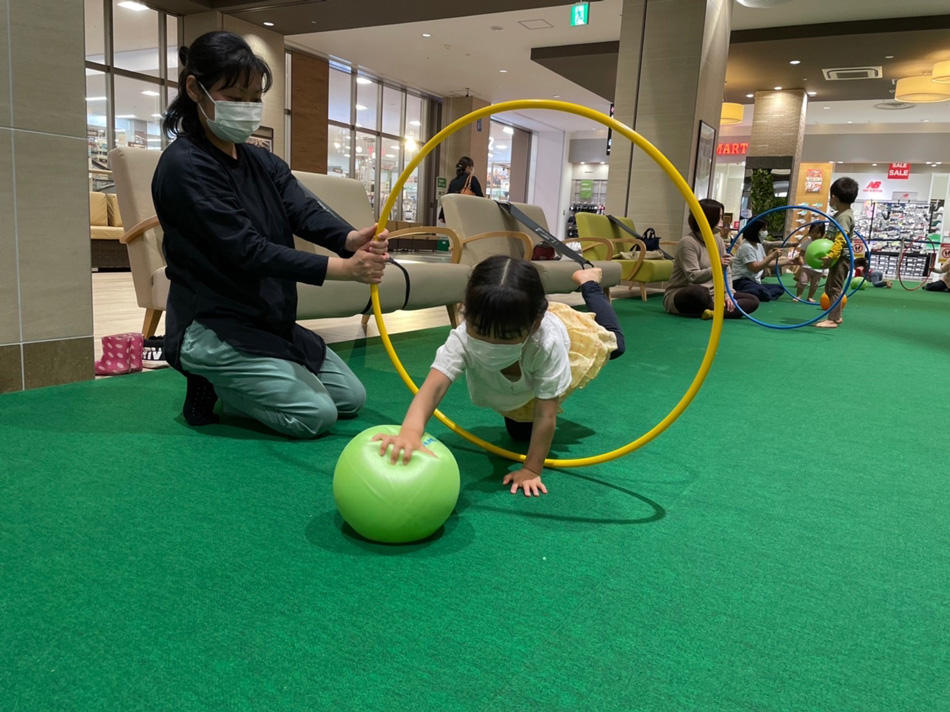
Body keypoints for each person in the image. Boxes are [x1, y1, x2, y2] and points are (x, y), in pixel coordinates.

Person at [152, 31, 390, 438]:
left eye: (254, 99)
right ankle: (211, 380)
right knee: (316, 416)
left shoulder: (262, 161)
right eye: (234, 97)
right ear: (195, 89)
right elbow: (248, 250)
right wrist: (343, 268)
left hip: (267, 321)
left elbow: (302, 210)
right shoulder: (184, 166)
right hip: (210, 324)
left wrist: (351, 239)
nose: (247, 109)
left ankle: (259, 374)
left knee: (350, 399)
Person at [372, 256, 625, 497]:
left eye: (504, 338)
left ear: (535, 325)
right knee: (519, 433)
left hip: (563, 342)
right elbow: (433, 387)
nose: (489, 344)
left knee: (613, 344)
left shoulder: (546, 343)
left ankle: (589, 283)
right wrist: (410, 431)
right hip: (521, 365)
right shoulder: (462, 338)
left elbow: (546, 413)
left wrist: (532, 469)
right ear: (465, 312)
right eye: (480, 330)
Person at [663, 198, 760, 319]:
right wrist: (716, 266)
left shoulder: (717, 240)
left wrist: (728, 294)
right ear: (708, 218)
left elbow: (727, 271)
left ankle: (711, 311)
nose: (722, 222)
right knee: (699, 292)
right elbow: (693, 277)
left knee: (753, 300)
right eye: (719, 217)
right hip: (684, 293)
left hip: (714, 294)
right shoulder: (688, 242)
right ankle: (718, 310)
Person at [816, 177, 859, 328]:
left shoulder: (844, 216)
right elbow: (832, 236)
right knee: (830, 287)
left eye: (830, 197)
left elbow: (841, 238)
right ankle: (835, 316)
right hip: (838, 257)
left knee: (835, 288)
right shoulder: (840, 215)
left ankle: (833, 319)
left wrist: (832, 255)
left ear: (834, 197)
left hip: (841, 258)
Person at [731, 219, 787, 301]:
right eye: (763, 229)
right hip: (740, 281)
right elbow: (754, 268)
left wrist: (790, 261)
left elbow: (766, 263)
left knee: (780, 288)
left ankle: (755, 293)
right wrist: (771, 256)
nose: (766, 232)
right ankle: (742, 292)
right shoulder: (746, 247)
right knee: (763, 292)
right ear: (755, 230)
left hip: (753, 282)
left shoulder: (758, 245)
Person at [438, 156, 484, 221]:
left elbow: (447, 199)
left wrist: (442, 215)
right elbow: (480, 198)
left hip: (454, 215)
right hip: (468, 215)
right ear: (468, 168)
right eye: (472, 167)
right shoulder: (472, 180)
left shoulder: (453, 182)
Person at [794, 222, 827, 303]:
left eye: (817, 232)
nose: (814, 234)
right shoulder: (807, 242)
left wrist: (825, 271)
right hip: (806, 267)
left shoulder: (823, 244)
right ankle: (798, 295)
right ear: (809, 232)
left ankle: (810, 297)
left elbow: (826, 257)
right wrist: (801, 259)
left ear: (822, 233)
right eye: (812, 232)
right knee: (802, 282)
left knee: (814, 285)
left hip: (818, 269)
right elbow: (801, 253)